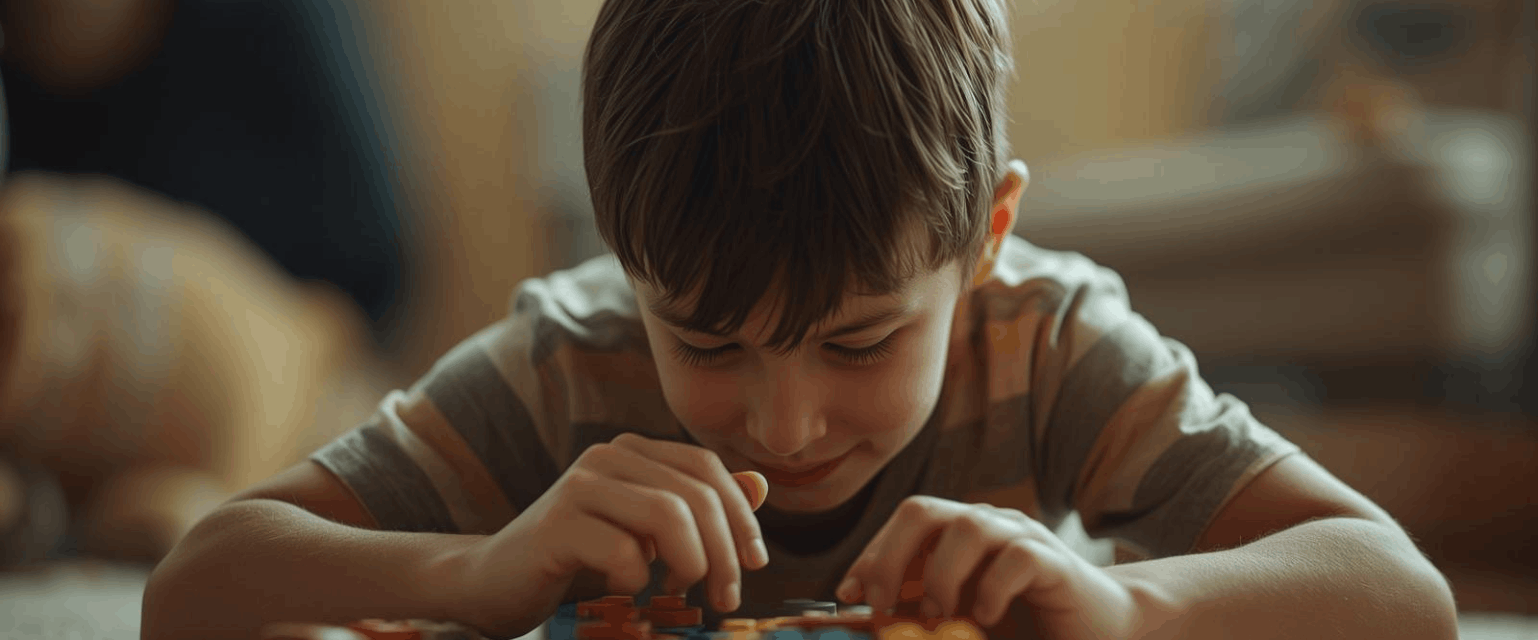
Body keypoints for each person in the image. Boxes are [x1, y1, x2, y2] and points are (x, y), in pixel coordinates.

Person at [142, 1, 1460, 638]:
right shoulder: (570, 362)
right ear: (625, 257)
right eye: (706, 342)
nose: (783, 420)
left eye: (860, 340)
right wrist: (475, 571)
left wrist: (1127, 612)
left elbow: (1398, 596)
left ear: (985, 239)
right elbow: (198, 586)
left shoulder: (1043, 345)